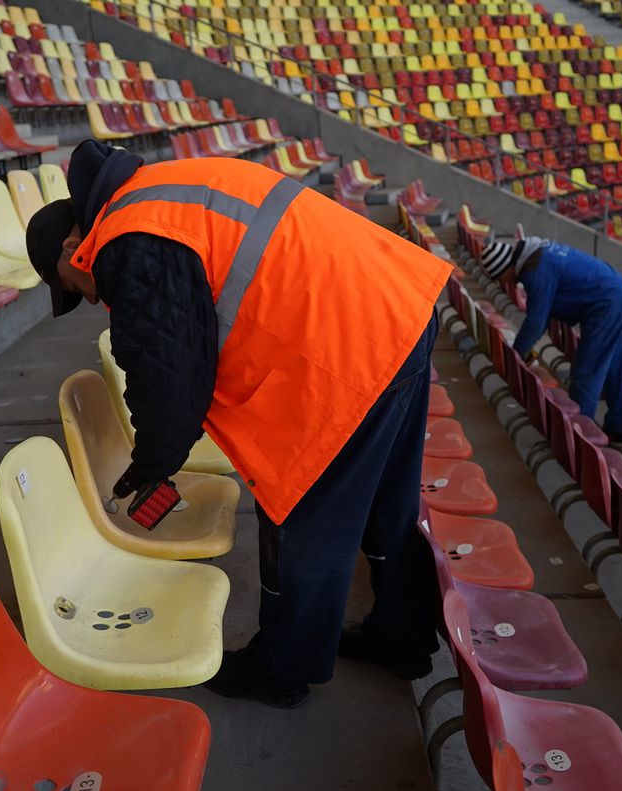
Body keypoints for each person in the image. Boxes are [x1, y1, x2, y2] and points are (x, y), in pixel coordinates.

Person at [25, 140, 453, 708]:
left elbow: (170, 378)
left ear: (73, 246)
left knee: (303, 516)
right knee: (385, 501)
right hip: (393, 311)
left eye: (70, 285)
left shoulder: (130, 237)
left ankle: (283, 667)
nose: (84, 293)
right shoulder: (157, 195)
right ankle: (401, 635)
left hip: (347, 348)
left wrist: (153, 464)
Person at [479, 236, 622, 441]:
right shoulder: (538, 256)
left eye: (500, 278)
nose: (504, 283)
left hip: (607, 303)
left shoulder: (536, 269)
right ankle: (618, 429)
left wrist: (514, 356)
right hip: (617, 291)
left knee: (587, 371)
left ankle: (579, 438)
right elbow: (542, 315)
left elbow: (536, 321)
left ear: (505, 268)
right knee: (614, 367)